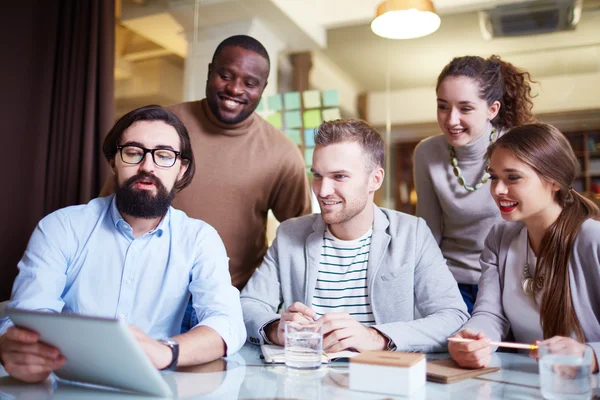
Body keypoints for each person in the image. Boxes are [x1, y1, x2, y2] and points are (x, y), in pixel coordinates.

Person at [0, 105, 246, 383]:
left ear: (181, 169)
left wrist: (166, 351)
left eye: (164, 155)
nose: (147, 166)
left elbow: (227, 323)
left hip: (158, 386)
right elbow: (29, 316)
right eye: (133, 152)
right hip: (65, 385)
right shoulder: (61, 227)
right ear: (113, 161)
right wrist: (15, 345)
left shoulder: (201, 239)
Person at [100, 35, 311, 291]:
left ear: (263, 88)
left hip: (233, 297)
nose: (235, 89)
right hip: (144, 289)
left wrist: (269, 295)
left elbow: (300, 238)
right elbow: (109, 208)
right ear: (210, 72)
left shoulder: (283, 154)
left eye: (250, 83)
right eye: (226, 75)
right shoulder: (162, 127)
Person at [241, 119, 468, 353]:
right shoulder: (290, 234)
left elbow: (453, 317)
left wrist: (376, 337)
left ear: (375, 179)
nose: (323, 190)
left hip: (383, 380)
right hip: (305, 377)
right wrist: (275, 328)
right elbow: (249, 305)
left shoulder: (413, 234)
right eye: (318, 175)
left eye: (339, 176)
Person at [448, 123, 600, 373]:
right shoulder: (499, 238)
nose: (497, 190)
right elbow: (490, 314)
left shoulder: (592, 239)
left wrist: (591, 356)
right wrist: (474, 340)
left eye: (513, 177)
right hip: (522, 380)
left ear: (554, 181)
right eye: (494, 177)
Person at [413, 55, 536, 313]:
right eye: (443, 106)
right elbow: (429, 232)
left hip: (508, 279)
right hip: (449, 282)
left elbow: (534, 226)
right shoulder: (426, 153)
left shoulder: (519, 148)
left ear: (493, 109)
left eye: (465, 108)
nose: (451, 120)